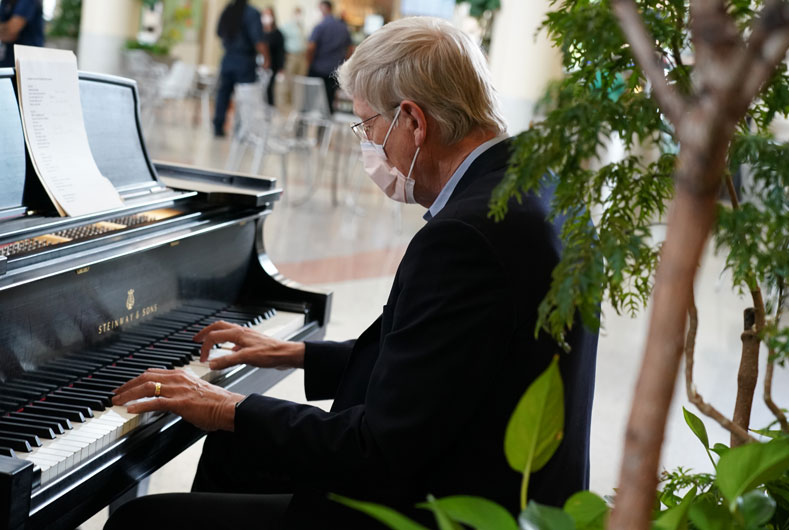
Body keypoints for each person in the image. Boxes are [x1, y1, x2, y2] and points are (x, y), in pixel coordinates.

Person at [105, 16, 598, 530]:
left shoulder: (465, 238)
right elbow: (441, 362)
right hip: (488, 475)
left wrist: (227, 405)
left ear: (413, 121)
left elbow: (376, 448)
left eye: (366, 125)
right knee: (236, 450)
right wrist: (293, 353)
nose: (367, 145)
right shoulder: (539, 187)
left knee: (141, 521)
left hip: (444, 507)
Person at [213, 0, 270, 137]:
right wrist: (267, 59)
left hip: (227, 59)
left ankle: (218, 126)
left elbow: (219, 33)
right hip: (245, 61)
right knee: (246, 96)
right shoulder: (252, 13)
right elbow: (258, 40)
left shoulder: (228, 10)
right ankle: (242, 129)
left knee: (223, 94)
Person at [306, 1, 351, 112]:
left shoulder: (320, 26)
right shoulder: (343, 28)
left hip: (317, 70)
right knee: (329, 103)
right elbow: (350, 49)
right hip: (335, 71)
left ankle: (310, 124)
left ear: (324, 9)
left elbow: (311, 48)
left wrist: (309, 62)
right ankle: (326, 125)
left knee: (310, 102)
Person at [0, 0, 43, 69]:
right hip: (7, 62)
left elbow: (11, 33)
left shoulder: (28, 1)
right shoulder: (5, 2)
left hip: (28, 63)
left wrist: (5, 29)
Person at [279, 7, 307, 106]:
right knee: (289, 81)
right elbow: (280, 40)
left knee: (300, 82)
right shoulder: (287, 26)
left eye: (300, 13)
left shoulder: (302, 26)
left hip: (301, 57)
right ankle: (287, 105)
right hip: (291, 57)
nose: (299, 15)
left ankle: (297, 105)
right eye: (297, 13)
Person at [261, 7, 284, 107]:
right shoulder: (258, 32)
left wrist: (280, 68)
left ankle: (269, 111)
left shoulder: (277, 34)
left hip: (272, 67)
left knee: (269, 90)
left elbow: (280, 52)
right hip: (257, 67)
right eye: (265, 14)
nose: (267, 17)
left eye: (269, 14)